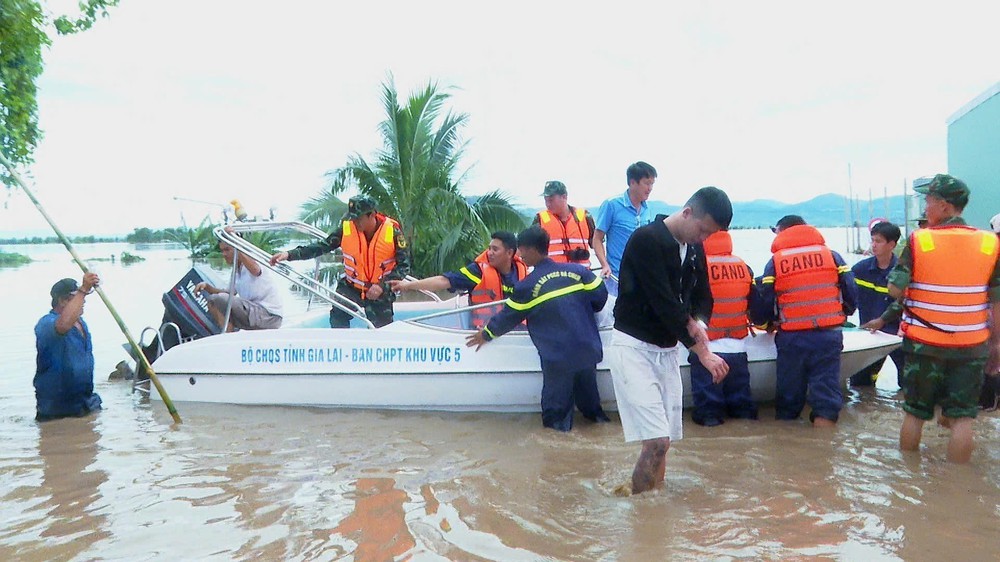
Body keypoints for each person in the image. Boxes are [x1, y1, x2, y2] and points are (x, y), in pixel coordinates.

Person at [609, 186, 732, 494]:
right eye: (702, 231)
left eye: (709, 235)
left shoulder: (693, 247)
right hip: (634, 347)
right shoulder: (646, 241)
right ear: (687, 213)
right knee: (656, 441)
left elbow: (704, 295)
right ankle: (640, 512)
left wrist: (698, 322)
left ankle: (653, 507)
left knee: (665, 441)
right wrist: (702, 352)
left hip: (667, 351)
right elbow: (662, 302)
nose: (703, 239)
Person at [888, 174, 1000, 463]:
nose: (926, 208)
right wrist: (996, 344)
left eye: (929, 202)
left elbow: (894, 289)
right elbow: (997, 302)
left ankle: (907, 477)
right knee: (963, 419)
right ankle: (957, 484)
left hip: (924, 343)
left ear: (945, 206)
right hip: (972, 345)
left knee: (914, 413)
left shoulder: (919, 240)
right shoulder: (990, 244)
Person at [465, 226, 610, 431]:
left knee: (555, 422)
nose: (520, 255)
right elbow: (601, 298)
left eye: (522, 250)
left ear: (532, 250)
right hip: (587, 350)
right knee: (592, 411)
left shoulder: (528, 286)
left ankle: (556, 460)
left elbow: (508, 317)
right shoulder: (579, 272)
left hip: (558, 358)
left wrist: (486, 334)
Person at [751, 215, 858, 427]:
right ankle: (823, 450)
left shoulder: (776, 262)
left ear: (782, 231)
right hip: (828, 335)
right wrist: (843, 313)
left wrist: (766, 324)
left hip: (792, 337)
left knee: (789, 400)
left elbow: (765, 299)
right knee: (826, 400)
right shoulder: (832, 256)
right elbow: (851, 291)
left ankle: (790, 450)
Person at [270, 195, 410, 328]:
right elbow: (321, 247)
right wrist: (289, 254)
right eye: (353, 218)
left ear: (372, 215)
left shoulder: (393, 232)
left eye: (359, 218)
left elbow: (404, 266)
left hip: (380, 291)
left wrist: (381, 286)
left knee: (383, 331)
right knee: (337, 316)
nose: (355, 222)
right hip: (352, 287)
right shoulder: (347, 230)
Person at [691, 229, 759, 426]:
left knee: (708, 415)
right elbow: (754, 304)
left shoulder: (696, 267)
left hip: (707, 351)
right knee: (743, 412)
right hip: (738, 349)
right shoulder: (742, 266)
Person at [389, 231, 527, 328]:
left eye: (495, 250)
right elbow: (443, 281)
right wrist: (408, 286)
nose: (489, 253)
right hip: (485, 333)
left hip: (517, 332)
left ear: (509, 253)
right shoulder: (477, 271)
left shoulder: (524, 270)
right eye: (489, 248)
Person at [34, 273, 103, 421]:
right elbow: (63, 325)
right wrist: (83, 289)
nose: (83, 301)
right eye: (76, 297)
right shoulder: (46, 323)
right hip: (57, 408)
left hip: (85, 402)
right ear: (63, 301)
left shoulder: (81, 323)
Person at [194, 231, 283, 331]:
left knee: (215, 299)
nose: (224, 254)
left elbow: (256, 270)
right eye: (222, 250)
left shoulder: (253, 259)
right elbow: (229, 293)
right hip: (254, 314)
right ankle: (228, 337)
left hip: (268, 316)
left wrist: (235, 242)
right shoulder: (236, 269)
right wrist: (207, 287)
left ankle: (228, 339)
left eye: (227, 250)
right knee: (214, 301)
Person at [851, 221, 905, 385]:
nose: (874, 245)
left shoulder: (902, 273)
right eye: (872, 240)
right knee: (860, 385)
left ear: (892, 244)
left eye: (879, 241)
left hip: (898, 337)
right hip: (869, 337)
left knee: (908, 386)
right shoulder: (859, 270)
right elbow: (847, 297)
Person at [594, 161, 657, 295]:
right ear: (633, 182)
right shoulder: (611, 205)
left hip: (641, 278)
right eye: (647, 183)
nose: (650, 188)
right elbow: (597, 238)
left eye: (652, 184)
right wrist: (604, 264)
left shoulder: (648, 208)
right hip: (617, 278)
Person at [532, 180, 596, 266]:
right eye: (546, 200)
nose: (548, 204)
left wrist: (605, 265)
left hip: (581, 274)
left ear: (564, 197)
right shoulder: (540, 219)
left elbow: (597, 243)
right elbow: (530, 249)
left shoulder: (585, 216)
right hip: (554, 275)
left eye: (551, 200)